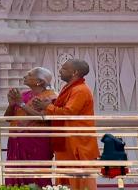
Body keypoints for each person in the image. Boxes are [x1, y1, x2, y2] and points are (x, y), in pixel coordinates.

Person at [31, 59, 100, 190]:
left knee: (79, 175)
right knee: (66, 174)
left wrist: (48, 107)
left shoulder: (80, 90)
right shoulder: (69, 88)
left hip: (77, 141)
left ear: (75, 72)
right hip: (66, 139)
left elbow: (69, 112)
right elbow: (61, 108)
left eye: (64, 68)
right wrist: (47, 105)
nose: (60, 71)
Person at [4, 67, 57, 187]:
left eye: (29, 75)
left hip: (36, 142)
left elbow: (43, 118)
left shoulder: (51, 97)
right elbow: (8, 118)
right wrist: (11, 105)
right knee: (15, 176)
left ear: (40, 81)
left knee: (36, 176)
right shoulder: (24, 95)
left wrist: (21, 104)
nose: (25, 76)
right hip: (16, 141)